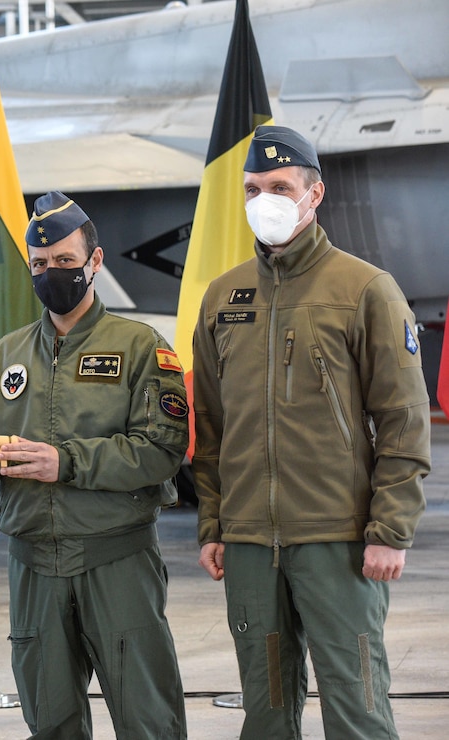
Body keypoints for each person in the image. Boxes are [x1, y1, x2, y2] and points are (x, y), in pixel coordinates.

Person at [192, 125, 431, 739]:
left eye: (278, 186)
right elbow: (212, 427)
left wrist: (391, 530)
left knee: (357, 708)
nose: (263, 199)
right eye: (252, 188)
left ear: (314, 193)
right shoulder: (223, 297)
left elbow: (403, 420)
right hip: (248, 544)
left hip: (339, 540)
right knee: (266, 711)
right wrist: (215, 524)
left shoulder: (366, 291)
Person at [0, 192, 189, 739]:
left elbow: (160, 452)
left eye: (64, 261)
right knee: (51, 722)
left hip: (117, 561)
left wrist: (64, 462)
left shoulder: (141, 348)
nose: (52, 273)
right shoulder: (4, 355)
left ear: (95, 261)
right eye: (40, 265)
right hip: (34, 564)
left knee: (147, 720)